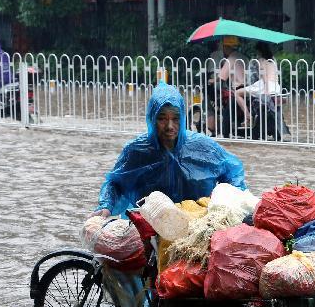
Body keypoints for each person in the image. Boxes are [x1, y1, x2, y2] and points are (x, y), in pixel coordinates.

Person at [91, 82, 246, 218]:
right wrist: (106, 207)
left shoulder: (204, 147)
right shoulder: (136, 151)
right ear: (152, 119)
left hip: (197, 226)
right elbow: (115, 183)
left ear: (183, 119)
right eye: (162, 119)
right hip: (149, 228)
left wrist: (228, 202)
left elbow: (233, 174)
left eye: (176, 118)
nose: (170, 126)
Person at [234, 42, 281, 128]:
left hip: (265, 86)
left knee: (237, 93)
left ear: (259, 51)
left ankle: (248, 116)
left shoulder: (261, 61)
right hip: (276, 87)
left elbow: (264, 78)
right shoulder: (273, 60)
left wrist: (266, 90)